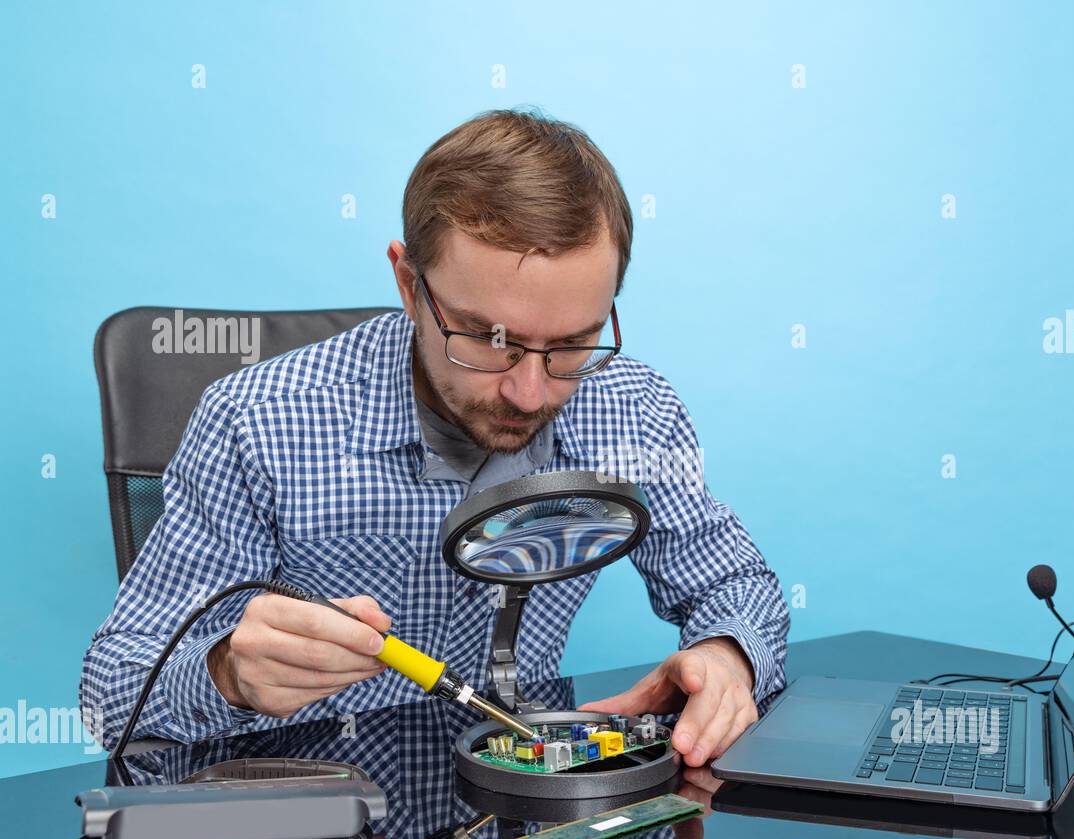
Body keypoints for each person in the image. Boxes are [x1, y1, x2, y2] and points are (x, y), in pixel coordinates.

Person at [82, 108, 789, 769]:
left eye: (574, 343)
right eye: (488, 340)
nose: (530, 392)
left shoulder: (630, 407)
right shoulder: (255, 420)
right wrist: (227, 671)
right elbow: (110, 694)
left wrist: (728, 653)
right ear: (409, 283)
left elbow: (733, 582)